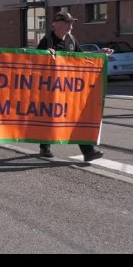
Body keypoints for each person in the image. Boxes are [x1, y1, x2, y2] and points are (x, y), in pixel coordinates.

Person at [36, 10, 110, 161]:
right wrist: (44, 54)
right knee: (49, 117)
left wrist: (99, 54)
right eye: (68, 23)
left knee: (76, 117)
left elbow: (81, 58)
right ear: (57, 24)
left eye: (71, 23)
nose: (71, 26)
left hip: (69, 88)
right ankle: (44, 147)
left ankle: (88, 151)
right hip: (50, 89)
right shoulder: (47, 41)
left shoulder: (71, 39)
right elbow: (35, 62)